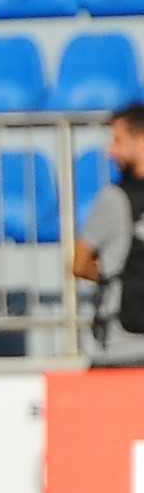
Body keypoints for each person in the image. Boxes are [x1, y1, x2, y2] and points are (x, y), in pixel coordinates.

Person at [74, 102, 144, 368]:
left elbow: (80, 264)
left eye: (118, 140)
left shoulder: (113, 199)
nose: (110, 151)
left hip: (120, 348)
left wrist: (113, 277)